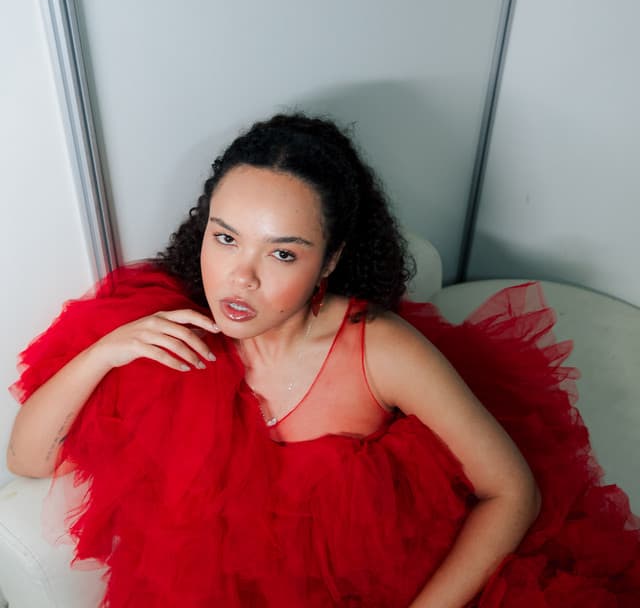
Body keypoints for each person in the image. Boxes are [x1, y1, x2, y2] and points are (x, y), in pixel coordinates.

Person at [7, 113, 640, 607]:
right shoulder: (168, 332)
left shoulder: (379, 349)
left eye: (283, 253)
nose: (240, 277)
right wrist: (105, 353)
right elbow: (27, 460)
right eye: (225, 238)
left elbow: (512, 491)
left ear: (330, 260)